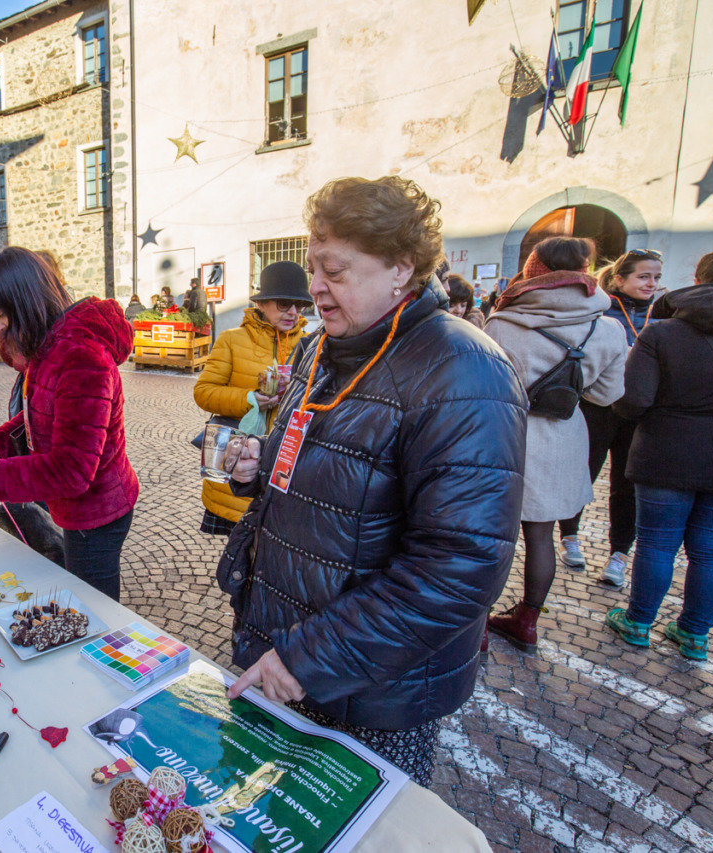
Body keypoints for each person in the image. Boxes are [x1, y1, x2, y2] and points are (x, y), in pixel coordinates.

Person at [219, 176, 526, 786]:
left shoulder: (464, 372)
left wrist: (312, 657)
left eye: (334, 270)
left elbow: (460, 566)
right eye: (313, 269)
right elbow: (319, 465)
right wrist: (259, 470)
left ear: (400, 269)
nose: (313, 289)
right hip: (281, 644)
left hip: (375, 689)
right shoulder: (320, 348)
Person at [0, 247, 139, 601]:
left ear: (25, 305)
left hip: (97, 511)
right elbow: (44, 414)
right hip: (79, 507)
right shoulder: (51, 345)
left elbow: (71, 470)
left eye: (1, 316)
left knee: (96, 608)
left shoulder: (80, 357)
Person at [483, 237, 627, 650]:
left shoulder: (503, 323)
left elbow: (485, 387)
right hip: (562, 437)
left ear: (532, 271)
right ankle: (527, 620)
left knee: (494, 537)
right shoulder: (608, 328)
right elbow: (605, 395)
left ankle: (475, 629)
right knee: (541, 536)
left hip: (505, 437)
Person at [607, 250, 713, 660]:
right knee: (712, 549)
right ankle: (694, 633)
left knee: (657, 543)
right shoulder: (661, 332)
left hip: (666, 451)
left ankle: (638, 621)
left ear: (697, 280)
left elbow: (633, 400)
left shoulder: (661, 334)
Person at [558, 249, 663, 586]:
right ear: (621, 279)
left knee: (626, 484)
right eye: (643, 276)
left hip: (641, 411)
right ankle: (569, 535)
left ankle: (619, 554)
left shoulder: (662, 315)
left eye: (656, 277)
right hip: (599, 406)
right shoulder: (602, 311)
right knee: (582, 471)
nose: (651, 284)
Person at [193, 261, 309, 535]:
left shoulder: (310, 344)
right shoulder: (232, 340)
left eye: (300, 305)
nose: (293, 312)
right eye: (283, 303)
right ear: (263, 303)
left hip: (284, 470)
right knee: (237, 558)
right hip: (238, 469)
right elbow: (204, 392)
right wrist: (250, 399)